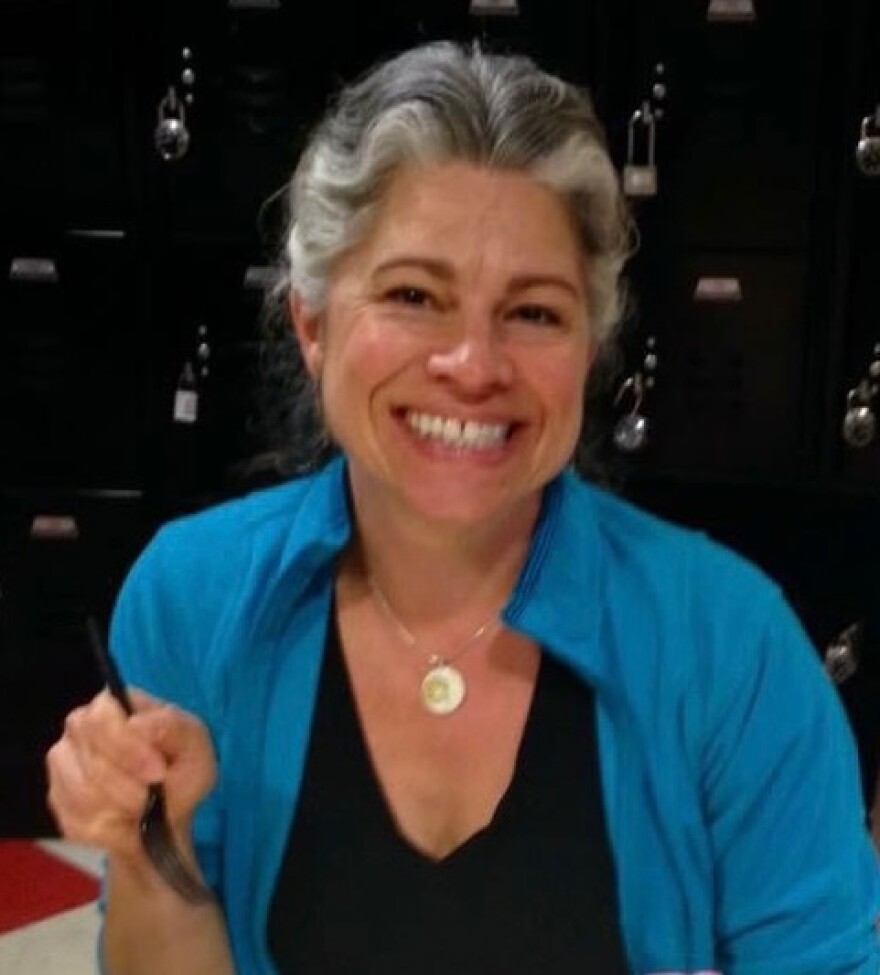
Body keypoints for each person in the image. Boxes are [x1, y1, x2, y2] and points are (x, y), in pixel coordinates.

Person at [46, 39, 880, 975]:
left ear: (590, 347)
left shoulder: (732, 644)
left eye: (534, 312)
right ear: (313, 325)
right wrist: (152, 845)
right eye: (414, 295)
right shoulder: (191, 595)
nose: (474, 366)